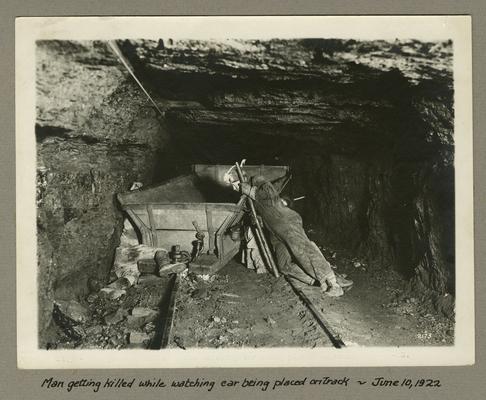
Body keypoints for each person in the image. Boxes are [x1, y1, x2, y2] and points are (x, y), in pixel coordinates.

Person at [239, 175, 352, 297]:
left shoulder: (266, 190)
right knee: (284, 266)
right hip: (275, 232)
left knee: (303, 251)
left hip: (287, 223)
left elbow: (264, 192)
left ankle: (332, 283)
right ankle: (317, 281)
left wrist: (246, 187)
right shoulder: (257, 202)